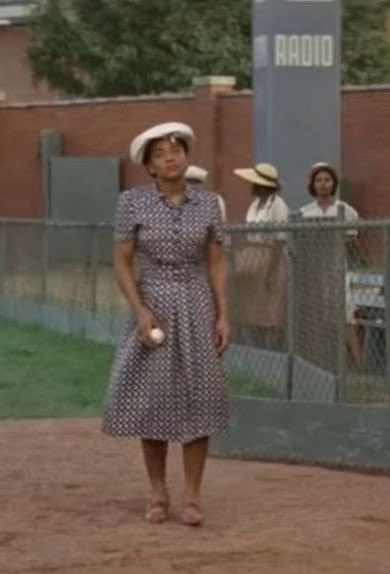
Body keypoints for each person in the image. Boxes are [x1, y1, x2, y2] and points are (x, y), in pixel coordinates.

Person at [101, 121, 230, 527]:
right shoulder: (132, 202)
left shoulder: (209, 204)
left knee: (200, 398)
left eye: (176, 150)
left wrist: (223, 313)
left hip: (196, 303)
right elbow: (122, 261)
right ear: (150, 166)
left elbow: (216, 260)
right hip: (153, 302)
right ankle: (158, 492)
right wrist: (140, 311)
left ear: (187, 157)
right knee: (151, 400)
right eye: (160, 154)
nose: (170, 158)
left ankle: (193, 496)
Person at [299, 162, 363, 368]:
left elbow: (353, 241)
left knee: (346, 316)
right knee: (316, 317)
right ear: (313, 185)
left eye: (327, 180)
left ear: (333, 183)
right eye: (319, 180)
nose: (323, 184)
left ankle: (360, 364)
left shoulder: (346, 211)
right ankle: (320, 361)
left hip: (337, 270)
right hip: (313, 272)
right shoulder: (304, 213)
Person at [232, 163, 289, 349]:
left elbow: (281, 239)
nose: (251, 186)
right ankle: (252, 348)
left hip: (271, 254)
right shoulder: (255, 205)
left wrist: (272, 270)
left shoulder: (278, 205)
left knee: (269, 306)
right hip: (253, 253)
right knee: (250, 305)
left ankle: (272, 349)